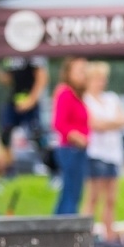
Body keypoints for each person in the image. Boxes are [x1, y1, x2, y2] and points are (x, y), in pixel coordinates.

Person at [83, 61, 124, 240]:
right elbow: (95, 124)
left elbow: (123, 120)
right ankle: (87, 233)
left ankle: (109, 236)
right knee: (93, 197)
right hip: (96, 153)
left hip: (113, 154)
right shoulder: (85, 100)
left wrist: (108, 124)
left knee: (111, 199)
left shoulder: (111, 98)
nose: (101, 83)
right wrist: (113, 123)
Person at [49, 57, 90, 216]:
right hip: (70, 149)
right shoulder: (65, 93)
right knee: (70, 193)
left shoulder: (78, 95)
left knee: (74, 193)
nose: (83, 75)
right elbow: (59, 123)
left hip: (79, 150)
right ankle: (63, 225)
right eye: (79, 71)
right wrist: (76, 136)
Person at [0, 54, 48, 161]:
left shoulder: (32, 52)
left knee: (37, 135)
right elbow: (9, 80)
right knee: (5, 135)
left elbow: (42, 77)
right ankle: (10, 168)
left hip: (31, 101)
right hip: (14, 100)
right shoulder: (10, 55)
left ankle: (46, 165)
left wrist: (31, 100)